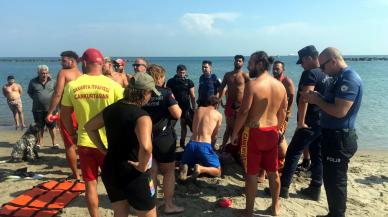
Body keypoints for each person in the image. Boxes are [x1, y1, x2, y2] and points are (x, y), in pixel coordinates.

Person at [85, 72, 159, 217]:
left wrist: (102, 148)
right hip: (134, 172)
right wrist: (142, 165)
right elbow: (146, 147)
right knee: (148, 214)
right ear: (144, 93)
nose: (151, 97)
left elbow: (89, 127)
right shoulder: (142, 116)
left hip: (111, 168)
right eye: (151, 93)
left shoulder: (111, 109)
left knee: (119, 213)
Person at [61, 48, 123, 217]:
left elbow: (65, 115)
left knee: (90, 184)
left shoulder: (73, 86)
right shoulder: (114, 86)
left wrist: (72, 134)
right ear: (101, 63)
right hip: (107, 143)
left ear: (85, 63)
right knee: (114, 185)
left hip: (85, 141)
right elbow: (124, 114)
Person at [302, 47, 362, 217]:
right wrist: (319, 97)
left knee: (336, 181)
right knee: (330, 179)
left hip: (340, 137)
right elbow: (333, 104)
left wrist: (317, 101)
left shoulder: (348, 78)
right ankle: (334, 213)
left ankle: (337, 215)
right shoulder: (338, 78)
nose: (322, 70)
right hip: (332, 135)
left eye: (323, 66)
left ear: (333, 61)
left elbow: (340, 111)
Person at [231, 51, 288, 217]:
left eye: (251, 62)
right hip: (272, 132)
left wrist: (235, 133)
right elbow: (283, 111)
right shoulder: (280, 86)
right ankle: (275, 207)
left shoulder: (253, 85)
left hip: (254, 133)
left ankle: (249, 211)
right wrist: (279, 130)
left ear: (260, 64)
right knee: (273, 172)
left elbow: (243, 112)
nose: (248, 65)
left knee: (251, 174)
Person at [274, 45, 327, 201]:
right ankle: (315, 188)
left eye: (302, 62)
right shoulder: (325, 73)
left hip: (309, 121)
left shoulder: (310, 73)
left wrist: (301, 122)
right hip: (321, 120)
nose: (301, 65)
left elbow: (305, 97)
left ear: (309, 58)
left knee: (293, 153)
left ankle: (283, 189)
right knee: (317, 154)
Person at [143, 64, 184, 214]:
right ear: (160, 78)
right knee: (168, 172)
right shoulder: (166, 93)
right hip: (163, 138)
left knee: (151, 171)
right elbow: (177, 114)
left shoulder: (142, 93)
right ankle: (168, 205)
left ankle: (151, 204)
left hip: (145, 137)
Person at [46, 50, 82, 180]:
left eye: (63, 60)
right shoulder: (82, 74)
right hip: (82, 112)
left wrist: (50, 112)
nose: (61, 63)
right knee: (84, 143)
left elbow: (57, 94)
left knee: (69, 145)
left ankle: (76, 175)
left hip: (68, 113)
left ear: (71, 61)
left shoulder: (63, 73)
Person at [179, 95, 222, 180]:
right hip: (204, 146)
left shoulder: (198, 110)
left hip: (191, 144)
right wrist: (212, 147)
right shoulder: (218, 114)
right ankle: (201, 168)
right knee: (218, 171)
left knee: (186, 160)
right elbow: (214, 135)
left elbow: (193, 127)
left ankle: (184, 165)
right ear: (216, 105)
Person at [218, 55, 250, 152]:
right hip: (230, 104)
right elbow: (221, 88)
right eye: (236, 61)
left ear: (243, 63)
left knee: (241, 128)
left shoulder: (245, 75)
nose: (237, 62)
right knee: (229, 127)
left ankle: (240, 148)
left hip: (241, 104)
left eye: (240, 61)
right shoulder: (228, 75)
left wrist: (249, 103)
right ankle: (223, 146)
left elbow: (251, 90)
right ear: (234, 62)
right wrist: (220, 101)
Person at [272, 60, 295, 170]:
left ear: (283, 69)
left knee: (279, 136)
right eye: (274, 68)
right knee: (273, 137)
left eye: (277, 68)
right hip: (272, 114)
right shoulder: (272, 80)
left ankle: (281, 162)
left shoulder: (286, 81)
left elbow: (291, 97)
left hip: (282, 114)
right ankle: (276, 160)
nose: (275, 70)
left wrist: (287, 112)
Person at [27, 65, 58, 149]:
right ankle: (40, 143)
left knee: (52, 127)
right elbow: (30, 92)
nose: (44, 75)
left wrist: (57, 108)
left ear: (48, 73)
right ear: (38, 73)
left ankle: (54, 143)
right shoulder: (32, 81)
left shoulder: (53, 81)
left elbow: (57, 94)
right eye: (42, 73)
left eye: (46, 73)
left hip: (51, 110)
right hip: (37, 109)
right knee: (40, 127)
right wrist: (37, 98)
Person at [166, 64, 196, 148]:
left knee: (189, 127)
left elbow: (193, 96)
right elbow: (167, 94)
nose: (182, 74)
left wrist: (194, 108)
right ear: (177, 72)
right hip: (173, 107)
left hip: (186, 107)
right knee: (170, 126)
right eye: (180, 72)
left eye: (183, 73)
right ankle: (171, 143)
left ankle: (183, 143)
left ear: (185, 72)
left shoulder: (189, 82)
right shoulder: (171, 81)